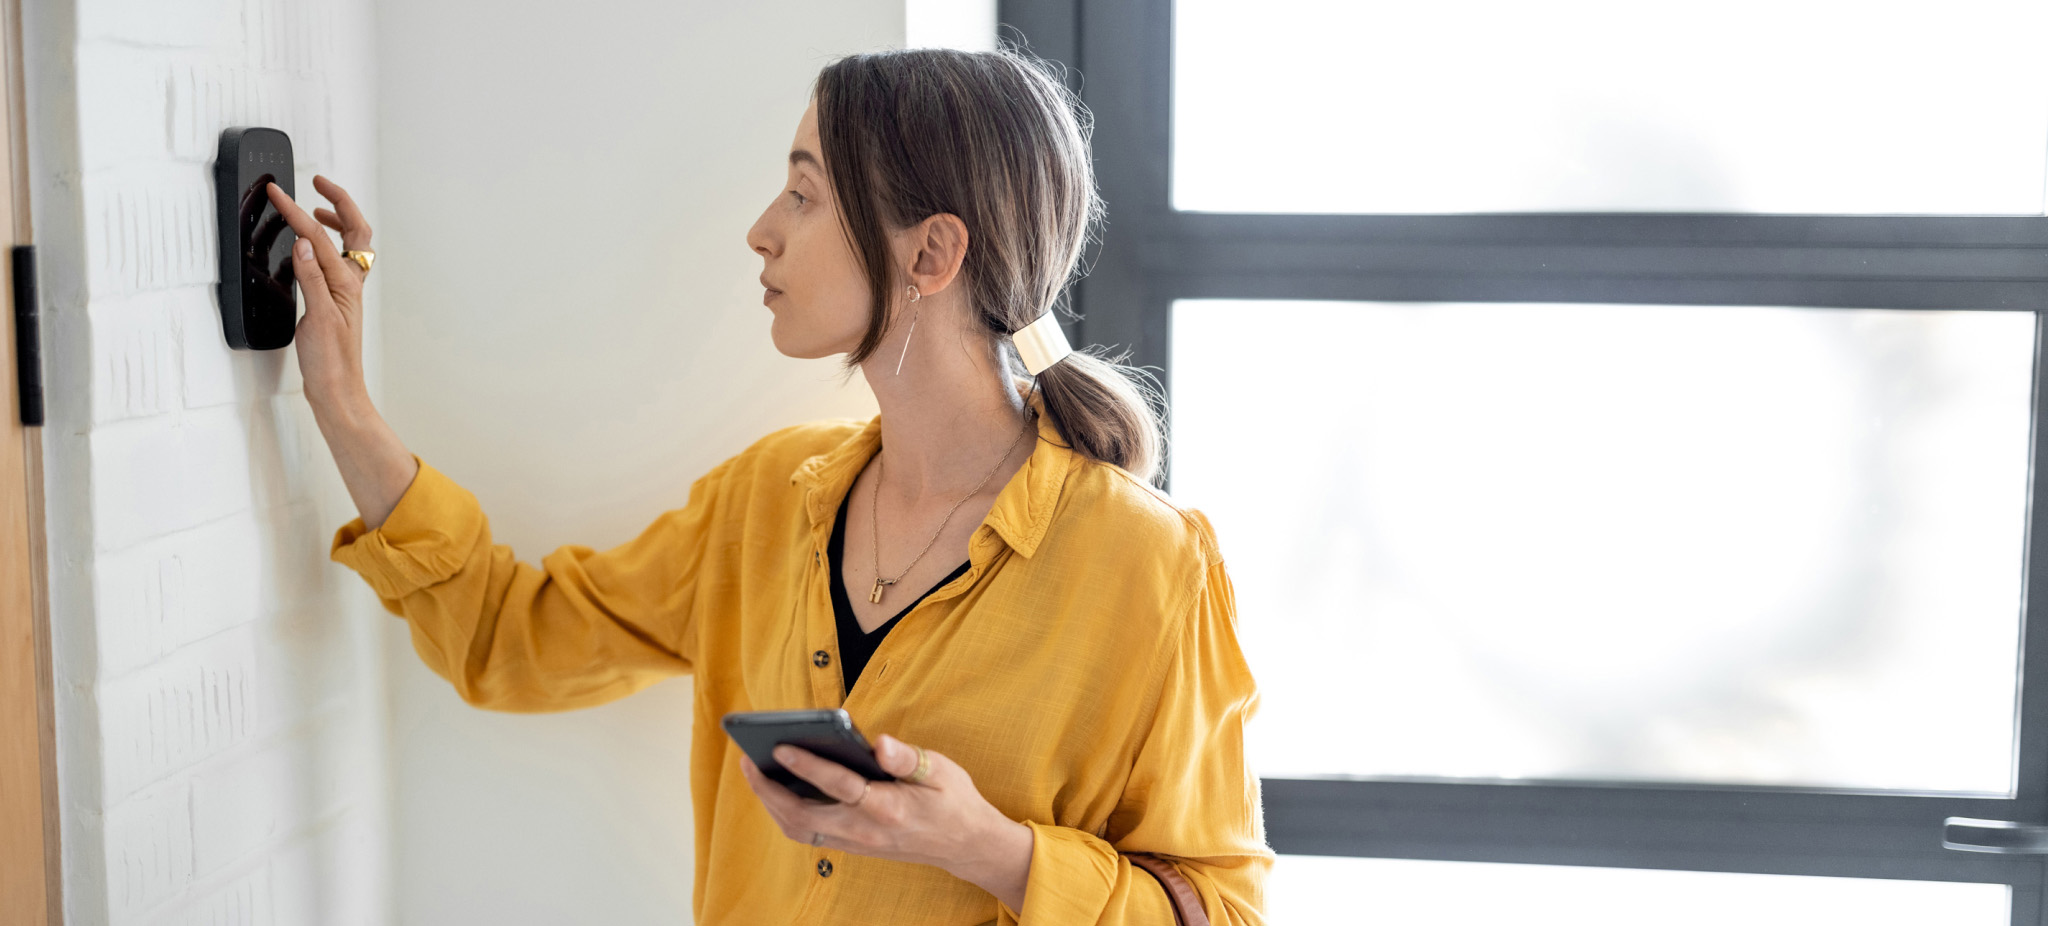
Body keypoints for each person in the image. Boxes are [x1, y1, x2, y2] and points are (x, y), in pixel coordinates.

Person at [269, 46, 1272, 925]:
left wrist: (989, 849)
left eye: (803, 193)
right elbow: (516, 638)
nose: (762, 229)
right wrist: (344, 405)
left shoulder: (1145, 565)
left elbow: (1221, 907)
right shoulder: (763, 499)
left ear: (930, 252)